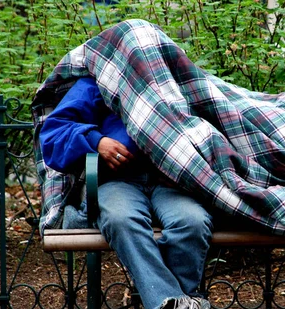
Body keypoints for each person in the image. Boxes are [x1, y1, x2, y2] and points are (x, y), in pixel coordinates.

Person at [39, 76, 213, 309]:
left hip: (170, 182)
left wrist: (180, 164)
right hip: (117, 182)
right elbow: (55, 131)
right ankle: (173, 301)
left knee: (192, 221)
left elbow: (207, 124)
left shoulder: (172, 80)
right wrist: (97, 141)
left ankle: (174, 302)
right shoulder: (95, 84)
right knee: (121, 220)